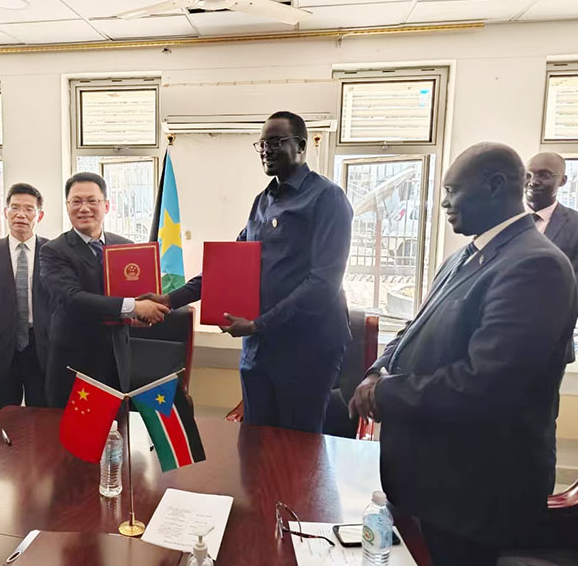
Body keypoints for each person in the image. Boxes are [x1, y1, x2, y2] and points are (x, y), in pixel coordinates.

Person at [350, 143, 578, 565]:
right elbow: (414, 327)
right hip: (429, 483)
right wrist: (377, 371)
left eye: (452, 191)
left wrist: (385, 393)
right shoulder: (467, 255)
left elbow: (484, 385)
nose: (443, 203)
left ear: (494, 186)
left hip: (473, 494)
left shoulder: (535, 266)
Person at [144, 111, 353, 433]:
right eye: (263, 144)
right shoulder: (263, 201)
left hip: (306, 349)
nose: (267, 150)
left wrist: (258, 324)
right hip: (258, 348)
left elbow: (324, 282)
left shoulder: (327, 198)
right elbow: (228, 268)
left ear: (301, 146)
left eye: (276, 142)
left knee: (296, 446)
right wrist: (170, 300)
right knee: (255, 440)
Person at [40, 172, 169, 407]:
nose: (84, 208)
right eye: (76, 201)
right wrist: (134, 307)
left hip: (118, 360)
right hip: (75, 364)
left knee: (118, 425)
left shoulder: (125, 247)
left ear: (107, 206)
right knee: (74, 429)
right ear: (67, 206)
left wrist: (138, 316)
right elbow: (72, 298)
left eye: (92, 201)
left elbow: (133, 295)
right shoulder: (54, 250)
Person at [0, 183, 50, 413]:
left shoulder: (53, 252)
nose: (20, 214)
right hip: (1, 349)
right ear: (6, 212)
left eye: (28, 209)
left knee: (42, 414)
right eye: (14, 208)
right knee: (4, 414)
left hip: (42, 348)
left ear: (39, 215)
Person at [526, 152, 578, 272]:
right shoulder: (501, 219)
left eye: (544, 175)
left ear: (563, 181)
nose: (533, 182)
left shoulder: (575, 224)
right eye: (527, 175)